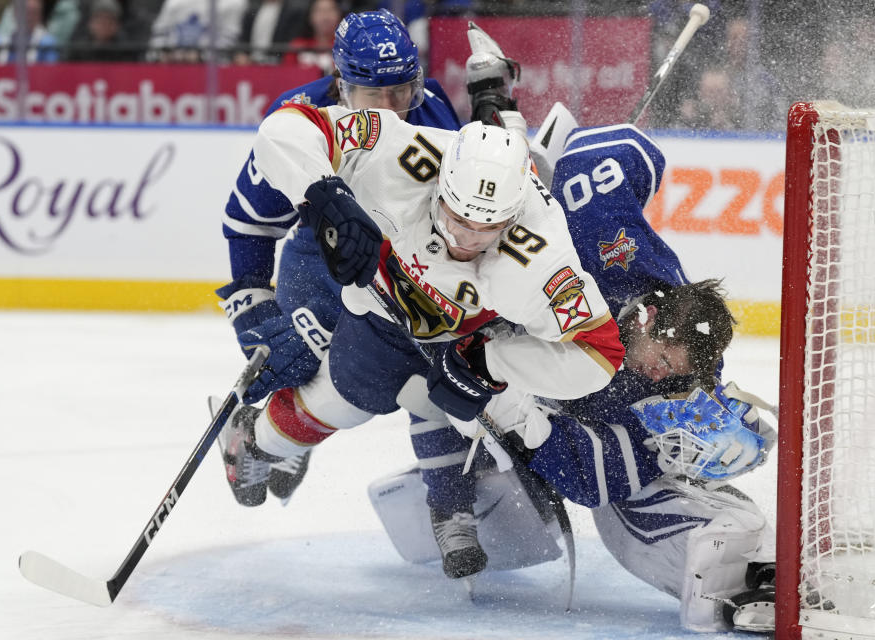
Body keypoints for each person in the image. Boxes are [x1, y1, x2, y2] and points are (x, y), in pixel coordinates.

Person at [371, 117, 777, 632]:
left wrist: (528, 423)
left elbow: (592, 478)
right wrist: (546, 162)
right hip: (481, 327)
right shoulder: (617, 251)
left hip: (551, 420)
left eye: (676, 374)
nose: (659, 377)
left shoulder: (680, 380)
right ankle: (449, 502)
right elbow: (622, 145)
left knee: (631, 505)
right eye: (663, 361)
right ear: (650, 318)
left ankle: (744, 566)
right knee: (434, 385)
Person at [214, 101, 626, 572]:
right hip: (376, 320)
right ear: (440, 185)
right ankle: (255, 438)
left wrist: (491, 362)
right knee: (340, 405)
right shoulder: (405, 152)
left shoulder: (543, 256)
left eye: (486, 227)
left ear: (513, 217)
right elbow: (286, 127)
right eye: (456, 216)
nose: (465, 239)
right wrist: (324, 194)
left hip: (469, 340)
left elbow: (598, 355)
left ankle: (453, 508)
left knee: (456, 408)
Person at [214, 8, 463, 504]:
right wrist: (253, 307)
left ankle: (451, 502)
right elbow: (249, 222)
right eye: (376, 95)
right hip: (320, 256)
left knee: (433, 356)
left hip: (404, 262)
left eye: (403, 91)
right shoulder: (300, 118)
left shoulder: (434, 110)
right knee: (302, 361)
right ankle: (264, 427)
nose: (393, 110)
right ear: (341, 84)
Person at [0, 0, 61, 64]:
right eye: (25, 12)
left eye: (33, 13)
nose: (29, 17)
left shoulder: (48, 42)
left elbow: (50, 71)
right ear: (15, 13)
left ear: (39, 16)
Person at [281, 0, 343, 76]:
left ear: (339, 15)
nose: (325, 17)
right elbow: (287, 76)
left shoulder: (346, 48)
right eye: (319, 11)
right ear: (310, 16)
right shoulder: (297, 46)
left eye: (330, 10)